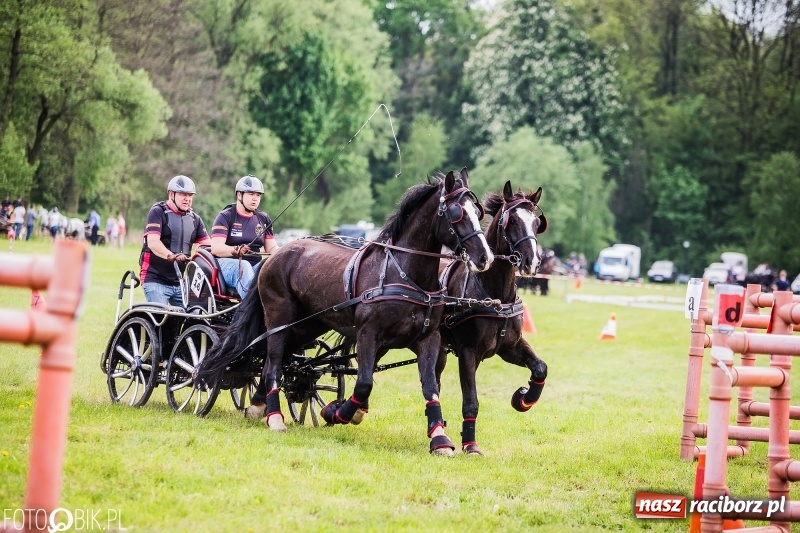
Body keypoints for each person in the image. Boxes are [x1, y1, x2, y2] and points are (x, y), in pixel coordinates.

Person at [139, 175, 210, 306]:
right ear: (171, 194)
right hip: (155, 279)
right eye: (183, 195)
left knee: (195, 316)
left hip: (180, 282)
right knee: (161, 318)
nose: (187, 199)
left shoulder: (195, 219)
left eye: (190, 195)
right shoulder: (157, 212)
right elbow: (153, 242)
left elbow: (207, 245)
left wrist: (201, 251)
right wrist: (171, 256)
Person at [210, 175, 279, 299]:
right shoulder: (225, 216)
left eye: (258, 195)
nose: (255, 199)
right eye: (251, 194)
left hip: (254, 265)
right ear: (239, 195)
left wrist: (285, 252)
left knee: (273, 266)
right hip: (227, 264)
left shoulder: (263, 218)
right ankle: (253, 310)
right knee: (245, 266)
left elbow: (272, 247)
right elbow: (216, 248)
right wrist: (235, 250)